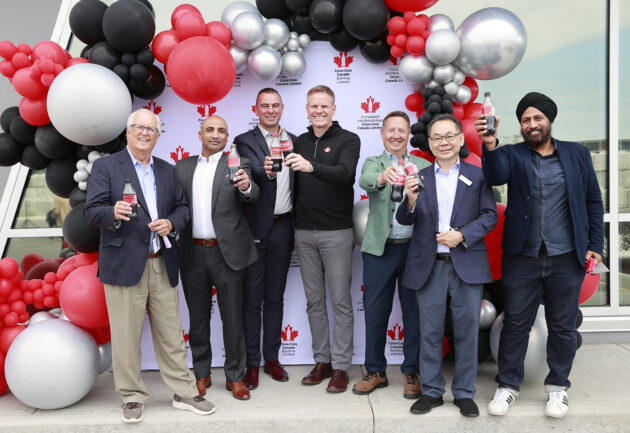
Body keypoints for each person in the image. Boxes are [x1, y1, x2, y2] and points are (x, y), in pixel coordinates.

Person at [84, 108, 215, 423]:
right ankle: (131, 396)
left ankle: (184, 393)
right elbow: (91, 210)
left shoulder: (167, 171)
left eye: (151, 129)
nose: (144, 133)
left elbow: (183, 209)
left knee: (171, 334)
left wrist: (171, 222)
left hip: (161, 262)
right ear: (128, 131)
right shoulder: (106, 167)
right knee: (127, 337)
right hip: (123, 263)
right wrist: (111, 212)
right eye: (139, 127)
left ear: (158, 136)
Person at [478, 92, 604, 418]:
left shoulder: (577, 154)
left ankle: (557, 388)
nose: (531, 124)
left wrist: (595, 243)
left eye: (537, 118)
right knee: (516, 323)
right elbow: (493, 176)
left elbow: (592, 200)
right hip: (523, 256)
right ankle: (507, 386)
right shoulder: (511, 154)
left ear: (549, 120)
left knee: (561, 326)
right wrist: (489, 144)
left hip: (567, 256)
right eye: (525, 120)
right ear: (520, 125)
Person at [397, 113, 497, 417]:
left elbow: (490, 216)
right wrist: (410, 200)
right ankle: (431, 391)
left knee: (467, 331)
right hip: (429, 265)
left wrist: (462, 235)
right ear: (429, 143)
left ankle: (465, 393)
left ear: (461, 138)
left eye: (449, 136)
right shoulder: (419, 177)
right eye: (437, 137)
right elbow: (404, 218)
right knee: (429, 330)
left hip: (466, 262)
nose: (444, 142)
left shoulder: (478, 175)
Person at [176, 115, 259, 401]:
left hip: (228, 254)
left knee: (233, 318)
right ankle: (201, 374)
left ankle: (235, 377)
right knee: (197, 319)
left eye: (221, 131)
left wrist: (246, 185)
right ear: (200, 134)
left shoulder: (238, 164)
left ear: (227, 137)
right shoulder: (183, 167)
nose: (215, 134)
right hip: (192, 253)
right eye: (209, 129)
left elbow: (252, 194)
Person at [283, 85, 360, 393]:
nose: (319, 111)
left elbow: (346, 174)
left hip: (337, 232)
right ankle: (322, 361)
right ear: (306, 109)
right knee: (314, 301)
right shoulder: (298, 141)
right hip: (303, 232)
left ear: (333, 109)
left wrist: (311, 165)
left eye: (324, 106)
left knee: (340, 301)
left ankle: (341, 367)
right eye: (313, 106)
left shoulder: (348, 139)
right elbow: (294, 189)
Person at [353, 111, 428, 399]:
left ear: (408, 135)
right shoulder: (374, 162)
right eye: (391, 130)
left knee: (414, 313)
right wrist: (384, 177)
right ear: (383, 134)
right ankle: (375, 371)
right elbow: (366, 180)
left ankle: (411, 372)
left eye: (402, 130)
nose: (396, 135)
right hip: (379, 250)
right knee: (375, 312)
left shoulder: (422, 164)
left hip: (413, 250)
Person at [234, 88, 297, 390]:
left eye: (275, 105)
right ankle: (252, 363)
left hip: (285, 228)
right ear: (256, 109)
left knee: (275, 297)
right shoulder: (245, 141)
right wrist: (267, 169)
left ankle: (272, 358)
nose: (270, 110)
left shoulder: (294, 141)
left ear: (282, 108)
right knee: (252, 300)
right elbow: (248, 168)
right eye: (264, 106)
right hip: (256, 229)